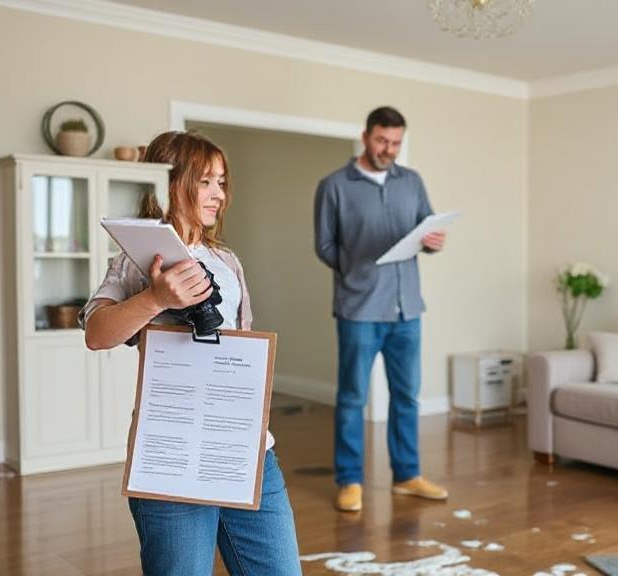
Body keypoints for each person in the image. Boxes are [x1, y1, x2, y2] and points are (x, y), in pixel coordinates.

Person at [80, 131, 302, 575]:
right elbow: (97, 334)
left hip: (248, 451)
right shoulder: (135, 259)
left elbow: (242, 339)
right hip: (171, 453)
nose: (219, 194)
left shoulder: (227, 260)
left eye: (222, 182)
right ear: (171, 180)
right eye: (205, 181)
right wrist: (156, 299)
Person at [314, 106, 448, 512]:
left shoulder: (412, 181)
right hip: (359, 308)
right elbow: (324, 245)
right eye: (381, 141)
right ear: (365, 136)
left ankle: (407, 476)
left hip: (407, 309)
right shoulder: (334, 185)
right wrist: (356, 267)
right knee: (353, 397)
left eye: (395, 143)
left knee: (407, 396)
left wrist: (432, 242)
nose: (388, 149)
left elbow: (427, 226)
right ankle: (350, 480)